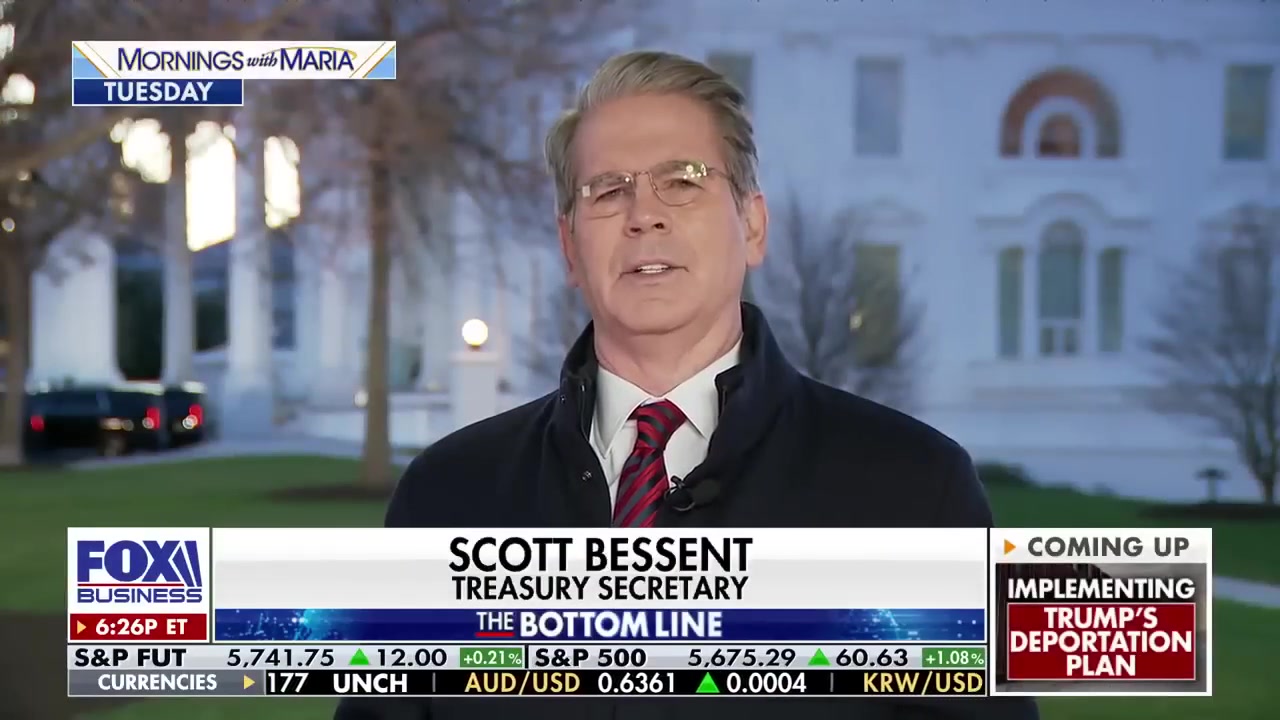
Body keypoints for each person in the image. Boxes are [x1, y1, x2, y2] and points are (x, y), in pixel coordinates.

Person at [336, 50, 1038, 720]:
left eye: (683, 180)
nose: (645, 214)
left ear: (752, 225)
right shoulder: (447, 498)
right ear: (570, 247)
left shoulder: (913, 491)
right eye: (608, 190)